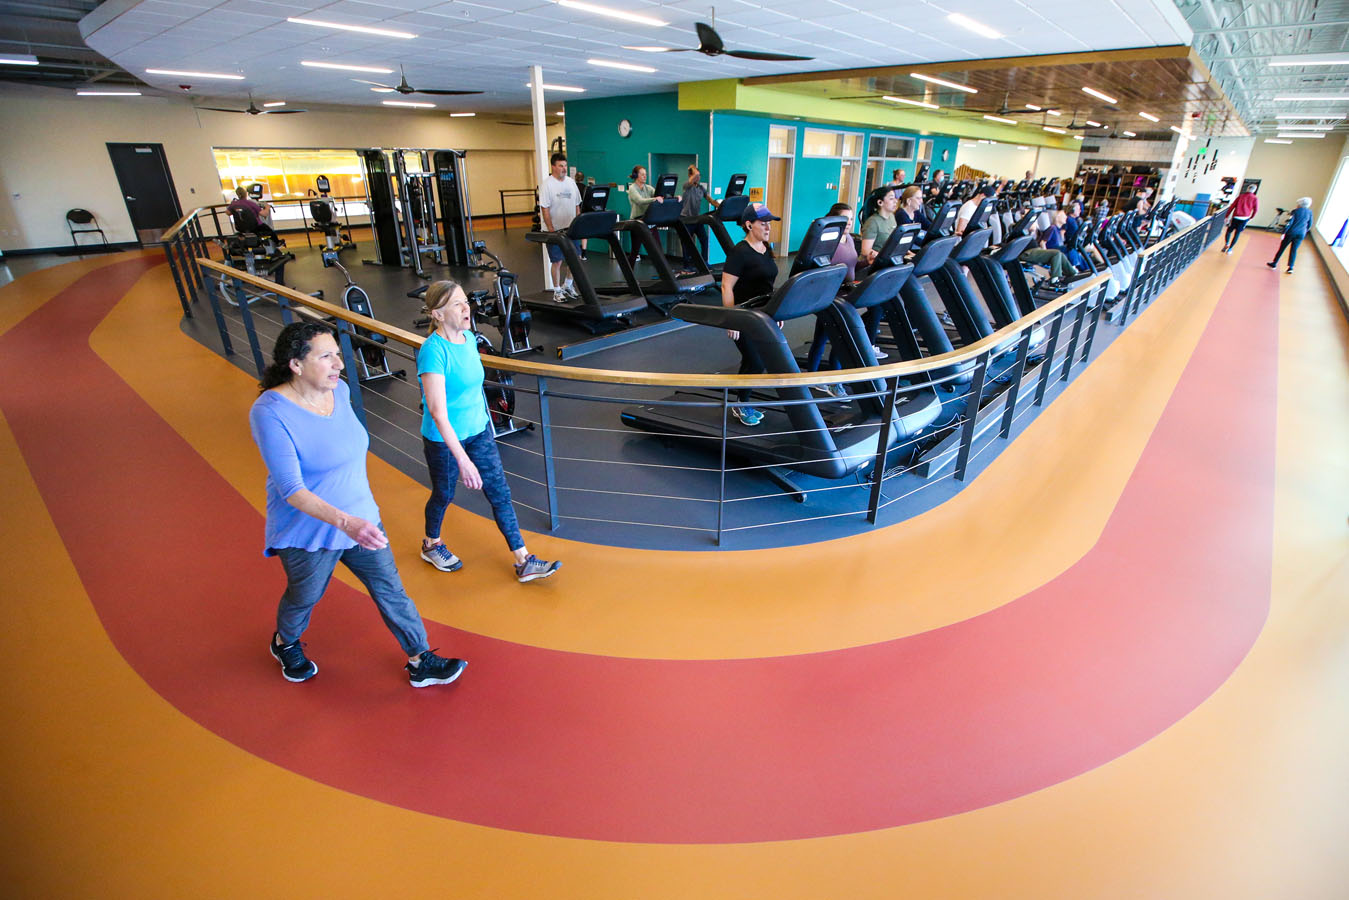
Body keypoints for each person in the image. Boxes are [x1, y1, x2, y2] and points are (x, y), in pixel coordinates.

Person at [249, 321, 468, 688]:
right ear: (296, 365)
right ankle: (284, 642)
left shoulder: (342, 391)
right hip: (308, 529)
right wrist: (345, 522)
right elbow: (291, 489)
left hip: (362, 519)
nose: (339, 363)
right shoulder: (270, 411)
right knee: (306, 595)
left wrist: (357, 518)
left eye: (338, 353)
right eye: (326, 356)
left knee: (390, 589)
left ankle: (420, 659)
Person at [417, 280, 562, 582]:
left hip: (478, 430)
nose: (465, 306)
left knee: (499, 492)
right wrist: (463, 460)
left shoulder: (469, 339)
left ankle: (523, 560)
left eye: (464, 301)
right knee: (443, 494)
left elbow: (472, 387)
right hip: (444, 440)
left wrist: (483, 426)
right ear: (438, 315)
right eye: (456, 303)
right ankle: (431, 544)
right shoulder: (433, 352)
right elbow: (437, 413)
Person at [720, 203, 781, 426]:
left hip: (764, 316)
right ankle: (740, 404)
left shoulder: (767, 248)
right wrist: (732, 320)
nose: (768, 227)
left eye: (769, 223)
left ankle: (741, 401)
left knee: (756, 360)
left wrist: (777, 311)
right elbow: (726, 287)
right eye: (763, 223)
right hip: (745, 317)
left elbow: (768, 286)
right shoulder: (739, 252)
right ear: (748, 225)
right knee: (755, 361)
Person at [539, 151, 582, 302]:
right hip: (554, 230)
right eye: (560, 166)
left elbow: (577, 205)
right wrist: (551, 230)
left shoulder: (571, 182)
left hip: (571, 229)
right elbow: (545, 209)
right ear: (553, 167)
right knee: (557, 261)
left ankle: (568, 285)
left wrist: (578, 225)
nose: (564, 168)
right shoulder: (547, 185)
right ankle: (557, 290)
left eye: (565, 165)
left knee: (575, 259)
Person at [1021, 211, 1078, 283]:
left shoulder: (1030, 229)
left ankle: (1072, 274)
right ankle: (1054, 279)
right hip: (1028, 253)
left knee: (1060, 254)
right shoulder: (1022, 227)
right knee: (1056, 253)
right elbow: (1038, 237)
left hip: (1035, 250)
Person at [680, 164, 719, 266]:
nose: (698, 177)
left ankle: (704, 262)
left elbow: (709, 198)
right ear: (690, 176)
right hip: (686, 219)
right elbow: (692, 179)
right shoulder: (686, 186)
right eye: (696, 176)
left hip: (697, 219)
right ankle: (687, 265)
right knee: (687, 243)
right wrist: (692, 169)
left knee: (704, 240)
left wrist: (718, 204)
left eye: (699, 176)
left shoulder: (701, 188)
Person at [1267, 196, 1313, 274]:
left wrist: (1284, 232)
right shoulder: (1310, 212)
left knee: (1282, 248)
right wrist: (1304, 230)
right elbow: (1310, 224)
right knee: (1294, 250)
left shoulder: (1295, 211)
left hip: (1291, 232)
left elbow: (1289, 223)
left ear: (1300, 204)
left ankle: (1274, 263)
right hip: (1301, 234)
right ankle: (1290, 267)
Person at [859, 187, 899, 264]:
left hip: (887, 261)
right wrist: (882, 256)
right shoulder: (872, 222)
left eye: (895, 198)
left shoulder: (891, 217)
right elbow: (865, 251)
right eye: (891, 199)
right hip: (872, 264)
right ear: (880, 202)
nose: (895, 201)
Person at [626, 165, 656, 264]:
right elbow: (640, 201)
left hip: (649, 220)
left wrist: (674, 197)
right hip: (637, 222)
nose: (645, 176)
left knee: (657, 249)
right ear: (636, 175)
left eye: (645, 174)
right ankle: (629, 273)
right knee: (635, 251)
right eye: (642, 174)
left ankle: (665, 274)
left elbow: (660, 194)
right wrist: (654, 199)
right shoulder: (632, 188)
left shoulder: (648, 188)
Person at [1222, 183, 1259, 253]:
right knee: (1237, 233)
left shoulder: (1241, 196)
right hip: (1245, 218)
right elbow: (1256, 209)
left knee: (1229, 231)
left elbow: (1232, 206)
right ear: (1254, 190)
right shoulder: (1255, 198)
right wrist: (1251, 217)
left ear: (1247, 189)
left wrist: (1227, 216)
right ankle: (1230, 249)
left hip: (1236, 217)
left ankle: (1227, 243)